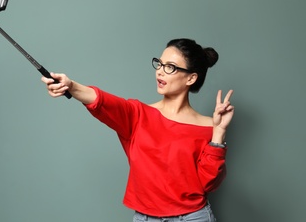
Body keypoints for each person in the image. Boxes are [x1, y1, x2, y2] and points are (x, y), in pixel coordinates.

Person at [41, 38, 234, 222]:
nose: (160, 72)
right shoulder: (137, 115)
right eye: (159, 64)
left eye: (170, 67)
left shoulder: (209, 126)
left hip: (193, 217)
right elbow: (101, 100)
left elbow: (209, 183)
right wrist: (71, 86)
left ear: (191, 78)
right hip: (146, 217)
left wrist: (219, 132)